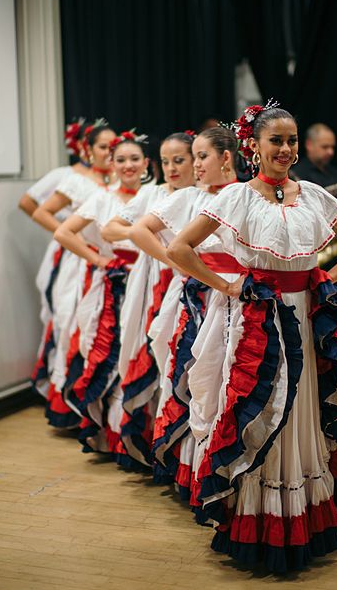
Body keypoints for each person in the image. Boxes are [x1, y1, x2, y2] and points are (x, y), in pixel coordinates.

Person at [165, 102, 337, 573]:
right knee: (261, 409)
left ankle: (304, 522)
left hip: (306, 318)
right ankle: (257, 524)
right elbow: (180, 247)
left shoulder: (316, 196)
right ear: (253, 146)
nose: (285, 149)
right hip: (259, 322)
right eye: (275, 141)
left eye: (291, 140)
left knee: (304, 411)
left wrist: (327, 279)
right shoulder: (236, 197)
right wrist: (226, 285)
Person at [128, 127, 240, 498]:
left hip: (241, 295)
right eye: (190, 157)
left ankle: (230, 466)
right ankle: (193, 467)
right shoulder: (190, 197)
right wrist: (182, 264)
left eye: (198, 156)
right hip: (199, 294)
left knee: (233, 380)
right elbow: (140, 230)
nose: (192, 164)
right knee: (195, 375)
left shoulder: (245, 194)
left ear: (226, 157)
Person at [101, 131, 196, 467]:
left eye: (179, 160)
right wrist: (146, 233)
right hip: (151, 281)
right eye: (166, 161)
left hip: (192, 283)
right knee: (144, 350)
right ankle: (145, 437)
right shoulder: (151, 193)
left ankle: (177, 445)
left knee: (182, 362)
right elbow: (109, 229)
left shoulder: (202, 195)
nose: (171, 168)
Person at [54, 130, 150, 454]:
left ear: (146, 163)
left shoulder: (155, 195)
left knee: (144, 354)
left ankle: (140, 433)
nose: (128, 165)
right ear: (111, 163)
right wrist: (98, 259)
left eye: (134, 159)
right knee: (107, 353)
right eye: (121, 159)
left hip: (148, 281)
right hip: (110, 283)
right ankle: (111, 435)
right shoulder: (102, 197)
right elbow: (64, 232)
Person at [32, 122, 117, 428]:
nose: (109, 152)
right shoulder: (77, 181)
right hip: (79, 259)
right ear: (87, 149)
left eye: (113, 146)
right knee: (74, 322)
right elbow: (40, 211)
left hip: (113, 261)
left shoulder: (121, 178)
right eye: (103, 147)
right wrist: (77, 241)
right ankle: (69, 401)